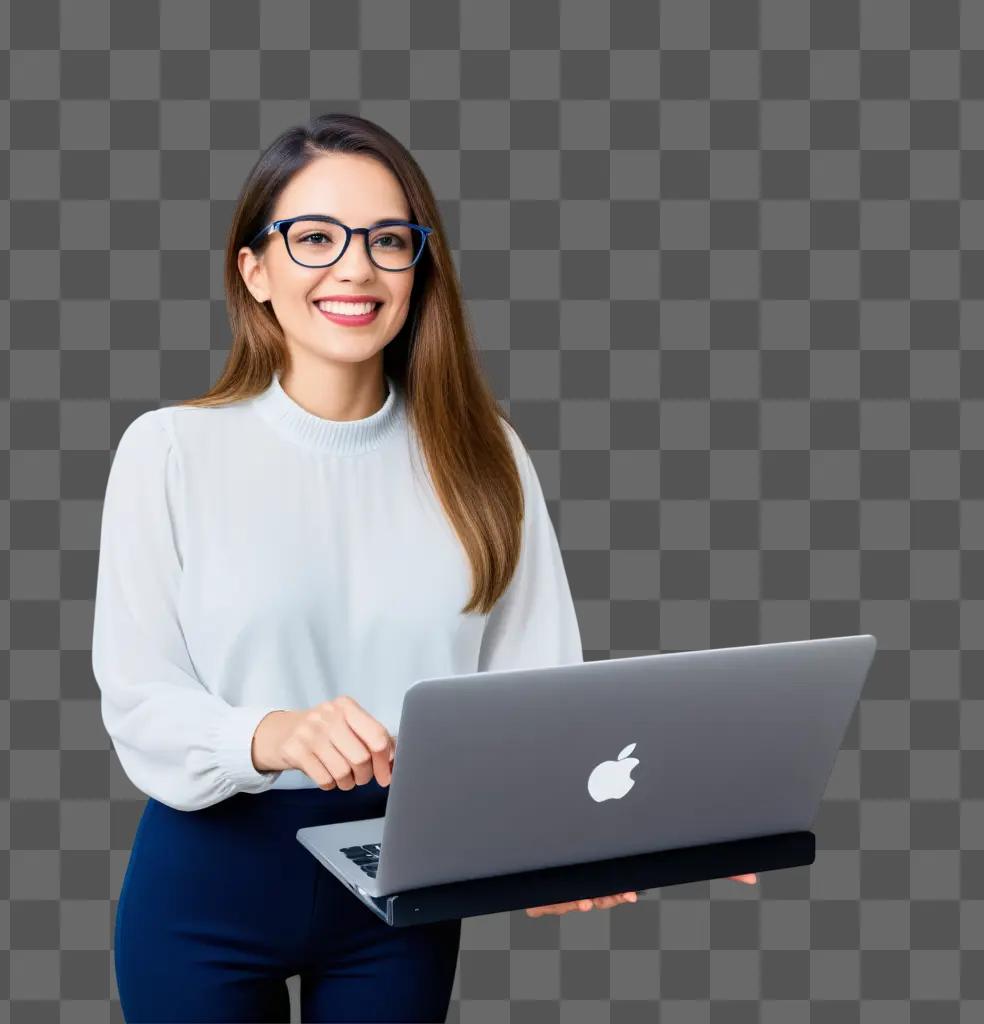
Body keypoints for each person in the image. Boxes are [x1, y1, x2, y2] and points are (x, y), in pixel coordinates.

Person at [92, 113, 756, 1024]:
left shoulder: (485, 456)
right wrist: (276, 734)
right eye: (315, 238)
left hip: (399, 889)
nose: (355, 269)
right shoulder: (170, 451)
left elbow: (541, 692)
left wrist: (586, 845)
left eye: (388, 240)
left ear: (419, 266)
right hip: (207, 887)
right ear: (255, 270)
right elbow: (138, 697)